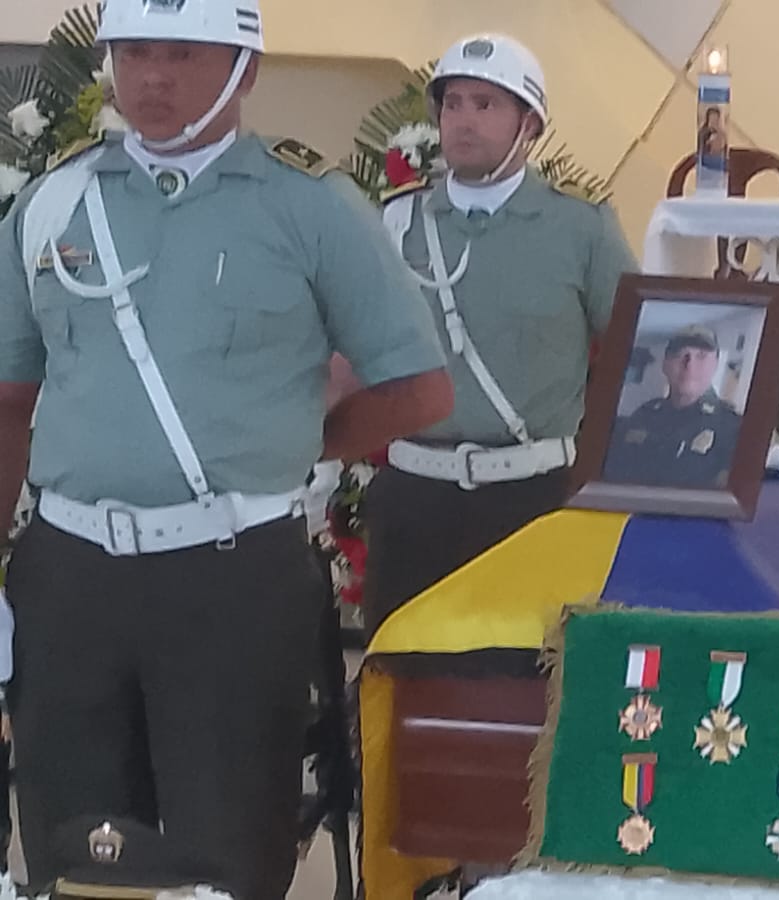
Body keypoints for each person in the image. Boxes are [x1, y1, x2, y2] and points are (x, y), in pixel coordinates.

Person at [0, 0, 452, 895]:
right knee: (70, 846)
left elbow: (418, 387)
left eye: (182, 54)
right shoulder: (56, 198)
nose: (152, 77)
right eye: (133, 52)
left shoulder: (309, 205)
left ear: (245, 68)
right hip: (70, 573)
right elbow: (10, 399)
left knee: (230, 844)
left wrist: (296, 449)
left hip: (230, 572)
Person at [361, 33, 637, 640]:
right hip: (415, 497)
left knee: (526, 686)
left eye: (486, 105)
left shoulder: (580, 226)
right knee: (402, 681)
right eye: (453, 103)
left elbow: (633, 350)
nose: (463, 121)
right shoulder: (396, 222)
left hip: (531, 497)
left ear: (530, 122)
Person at [604, 326, 742, 489]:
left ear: (715, 365)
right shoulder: (644, 415)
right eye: (681, 355)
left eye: (701, 356)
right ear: (665, 364)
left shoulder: (733, 428)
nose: (689, 365)